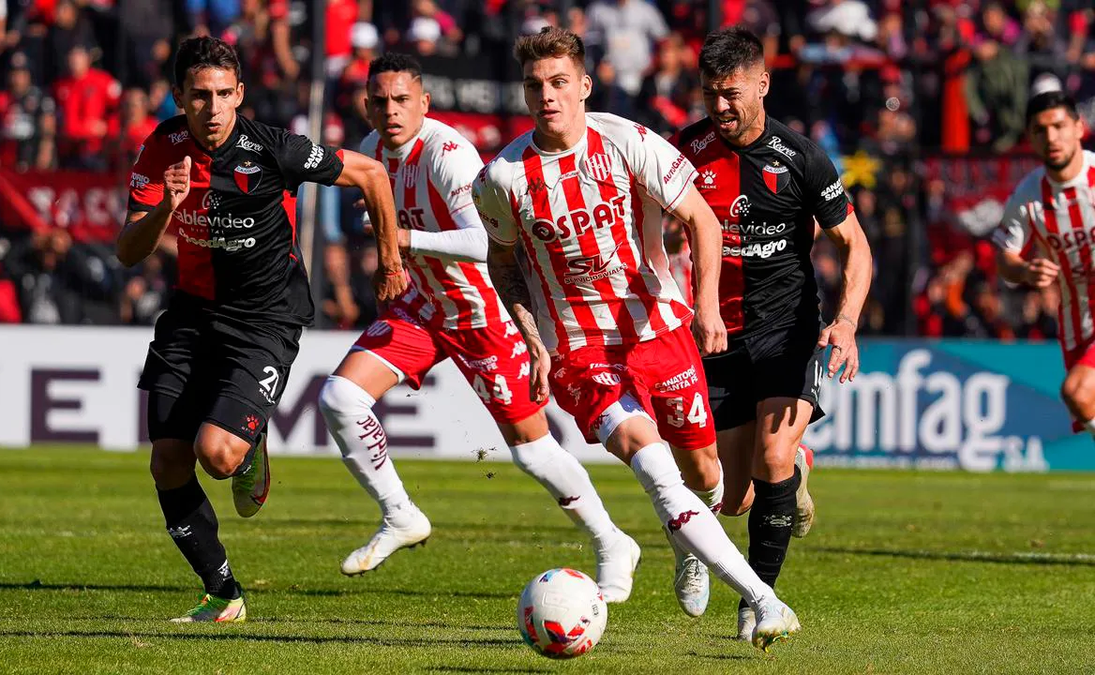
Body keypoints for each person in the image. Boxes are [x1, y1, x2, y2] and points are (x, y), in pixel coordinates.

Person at [472, 26, 800, 651]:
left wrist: (705, 307)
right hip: (579, 351)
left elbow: (701, 218)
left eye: (559, 83)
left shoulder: (628, 141)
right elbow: (503, 262)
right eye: (535, 86)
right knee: (654, 467)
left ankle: (693, 550)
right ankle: (765, 599)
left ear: (585, 87)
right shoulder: (504, 176)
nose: (547, 96)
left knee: (709, 478)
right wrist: (534, 338)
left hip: (659, 329)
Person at [317, 53, 641, 602]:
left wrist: (402, 243)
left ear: (424, 102)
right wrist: (391, 264)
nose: (390, 111)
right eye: (379, 101)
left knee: (530, 451)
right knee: (340, 398)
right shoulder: (370, 154)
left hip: (483, 314)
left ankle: (612, 542)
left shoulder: (447, 154)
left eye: (402, 100)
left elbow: (483, 243)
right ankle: (400, 514)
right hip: (421, 307)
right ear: (366, 106)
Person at [117, 36, 407, 623]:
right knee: (168, 462)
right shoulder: (160, 149)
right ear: (179, 98)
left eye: (225, 95)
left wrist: (390, 262)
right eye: (200, 96)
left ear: (240, 94)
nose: (213, 108)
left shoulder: (272, 150)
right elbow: (127, 250)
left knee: (218, 456)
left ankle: (251, 447)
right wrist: (165, 211)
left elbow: (373, 173)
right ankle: (222, 593)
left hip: (265, 321)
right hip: (192, 314)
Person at [671, 26, 872, 641]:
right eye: (710, 94)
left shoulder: (803, 158)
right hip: (716, 335)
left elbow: (855, 246)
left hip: (787, 328)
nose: (721, 106)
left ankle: (758, 604)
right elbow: (655, 234)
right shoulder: (687, 151)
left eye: (732, 93)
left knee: (772, 456)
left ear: (762, 82)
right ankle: (797, 469)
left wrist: (845, 322)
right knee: (732, 498)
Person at [993, 90, 1095, 435]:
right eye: (1040, 130)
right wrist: (1024, 270)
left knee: (1078, 393)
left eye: (1059, 126)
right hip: (1077, 323)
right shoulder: (1028, 194)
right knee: (1084, 405)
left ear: (1079, 128)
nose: (1051, 137)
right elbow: (1004, 258)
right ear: (1030, 138)